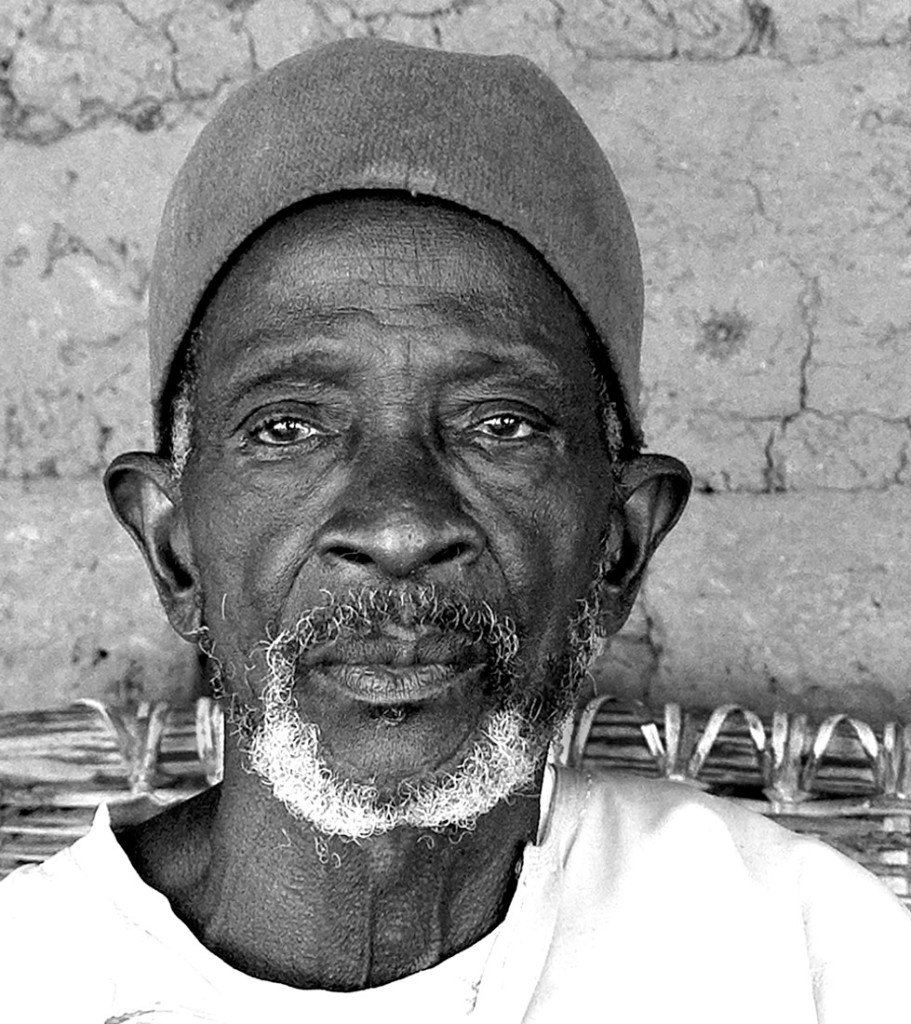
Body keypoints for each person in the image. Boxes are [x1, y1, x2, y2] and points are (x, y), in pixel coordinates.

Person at [1, 37, 909, 1024]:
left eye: (499, 424)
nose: (397, 524)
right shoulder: (33, 978)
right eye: (290, 427)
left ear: (617, 546)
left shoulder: (798, 953)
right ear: (174, 548)